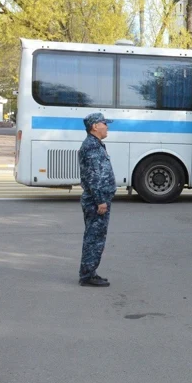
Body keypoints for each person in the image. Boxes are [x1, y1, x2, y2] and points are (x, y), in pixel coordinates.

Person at [78, 112, 117, 287]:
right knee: (94, 238)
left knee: (95, 237)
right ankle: (87, 276)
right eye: (104, 123)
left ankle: (90, 272)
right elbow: (94, 177)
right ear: (95, 126)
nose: (107, 126)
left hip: (98, 199)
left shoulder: (96, 145)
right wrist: (100, 200)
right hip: (96, 201)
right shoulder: (92, 147)